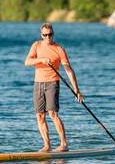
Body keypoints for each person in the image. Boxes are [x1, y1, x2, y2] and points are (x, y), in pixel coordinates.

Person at [24, 23, 83, 152]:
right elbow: (27, 62)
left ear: (53, 34)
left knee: (52, 113)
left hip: (52, 83)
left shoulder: (59, 49)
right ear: (41, 35)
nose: (47, 37)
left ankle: (64, 144)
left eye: (50, 35)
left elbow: (68, 70)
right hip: (38, 83)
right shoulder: (36, 45)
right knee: (40, 115)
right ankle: (47, 146)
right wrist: (41, 60)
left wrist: (76, 90)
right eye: (45, 35)